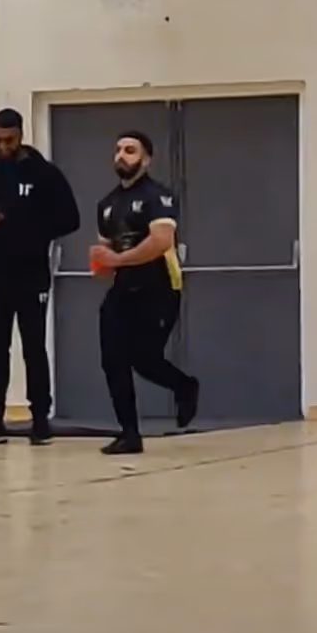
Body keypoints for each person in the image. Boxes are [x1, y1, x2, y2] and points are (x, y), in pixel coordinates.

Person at [0, 108, 80, 446]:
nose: (3, 145)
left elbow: (71, 219)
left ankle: (40, 420)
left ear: (21, 135)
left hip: (31, 275)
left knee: (34, 349)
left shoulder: (45, 175)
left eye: (9, 139)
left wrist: (34, 228)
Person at [89, 130, 200, 455]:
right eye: (118, 149)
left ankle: (184, 385)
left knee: (144, 359)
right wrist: (100, 262)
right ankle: (129, 434)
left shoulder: (158, 196)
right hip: (123, 289)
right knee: (112, 360)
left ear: (146, 159)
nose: (122, 155)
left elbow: (160, 241)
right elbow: (104, 250)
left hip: (159, 288)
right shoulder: (106, 204)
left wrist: (119, 259)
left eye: (130, 150)